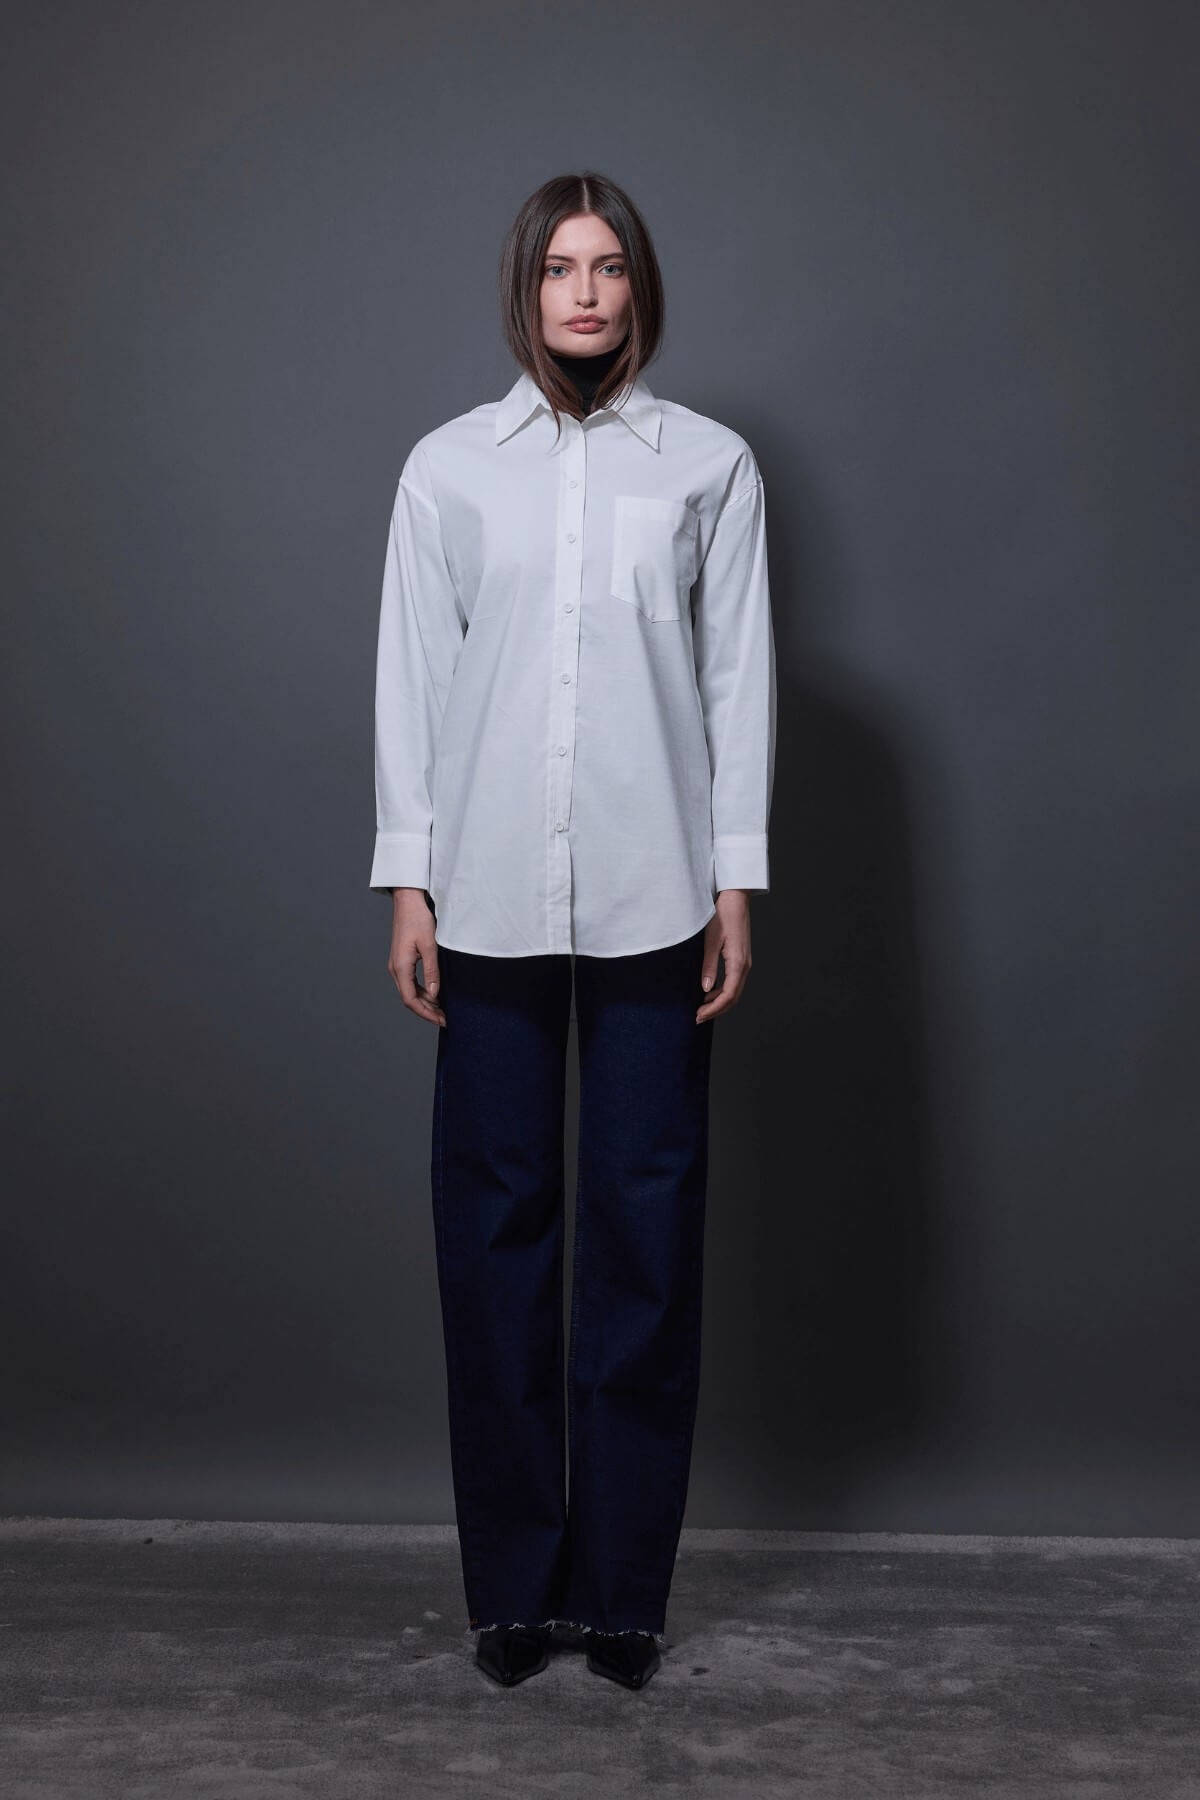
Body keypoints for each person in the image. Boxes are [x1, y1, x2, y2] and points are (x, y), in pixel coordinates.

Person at [369, 172, 776, 1690]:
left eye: (608, 268)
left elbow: (737, 678)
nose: (586, 293)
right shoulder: (448, 469)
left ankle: (621, 1599)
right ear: (525, 290)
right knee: (494, 1242)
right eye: (560, 269)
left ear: (639, 287)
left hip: (657, 892)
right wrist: (407, 879)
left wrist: (734, 879)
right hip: (483, 896)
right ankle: (510, 1595)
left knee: (645, 1244)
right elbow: (414, 677)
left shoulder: (711, 467)